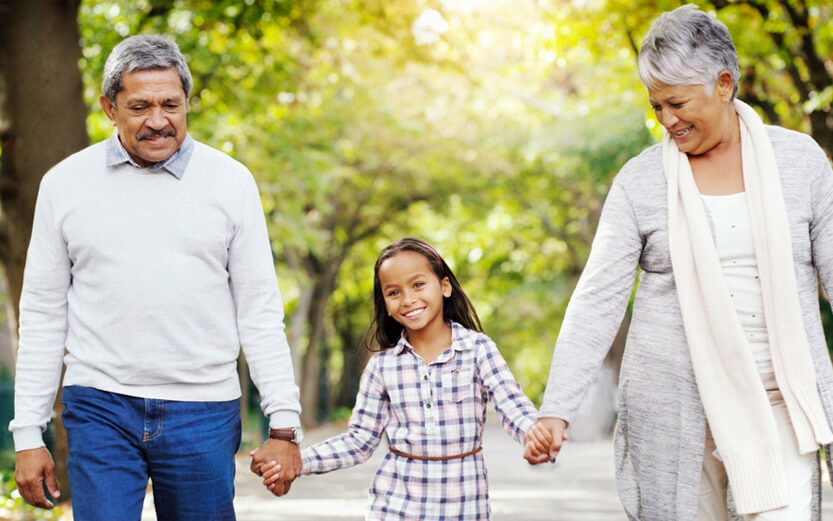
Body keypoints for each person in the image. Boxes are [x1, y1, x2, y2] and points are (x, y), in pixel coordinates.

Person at [525, 5, 833, 521]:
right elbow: (597, 300)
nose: (666, 120)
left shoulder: (799, 162)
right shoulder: (640, 182)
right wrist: (557, 408)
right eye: (656, 106)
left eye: (676, 102)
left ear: (724, 84)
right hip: (676, 407)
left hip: (783, 398)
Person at [9, 35, 303, 520]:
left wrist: (284, 425)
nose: (158, 120)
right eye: (139, 106)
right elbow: (42, 313)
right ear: (109, 107)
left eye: (171, 104)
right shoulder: (64, 184)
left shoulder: (230, 182)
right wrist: (28, 435)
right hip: (99, 403)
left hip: (204, 409)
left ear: (187, 102)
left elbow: (259, 309)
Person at [251, 237, 547, 520]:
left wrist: (534, 434)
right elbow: (359, 441)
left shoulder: (478, 350)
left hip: (465, 507)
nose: (408, 299)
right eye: (393, 292)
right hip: (395, 507)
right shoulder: (383, 366)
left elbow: (512, 404)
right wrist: (296, 463)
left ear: (444, 287)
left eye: (418, 285)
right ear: (387, 306)